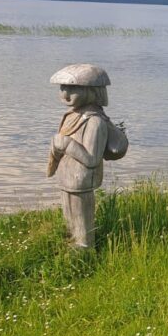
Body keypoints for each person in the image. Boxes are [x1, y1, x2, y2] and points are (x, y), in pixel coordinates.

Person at [46, 63, 128, 248]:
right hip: (67, 177)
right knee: (68, 214)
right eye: (63, 87)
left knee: (81, 217)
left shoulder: (95, 122)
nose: (65, 94)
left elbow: (92, 159)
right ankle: (70, 241)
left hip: (82, 179)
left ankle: (85, 248)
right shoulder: (71, 115)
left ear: (93, 91)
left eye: (73, 89)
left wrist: (65, 144)